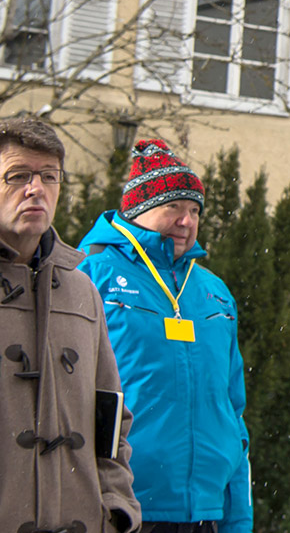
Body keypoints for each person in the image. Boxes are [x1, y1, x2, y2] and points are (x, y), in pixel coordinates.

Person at [78, 139, 251, 533]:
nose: (186, 221)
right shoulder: (91, 277)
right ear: (137, 211)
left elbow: (233, 411)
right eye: (173, 207)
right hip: (123, 507)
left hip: (206, 512)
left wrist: (238, 517)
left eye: (194, 210)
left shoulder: (214, 292)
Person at [0, 116, 141, 533]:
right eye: (18, 175)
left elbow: (110, 418)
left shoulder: (83, 291)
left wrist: (116, 509)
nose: (35, 189)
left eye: (49, 176)